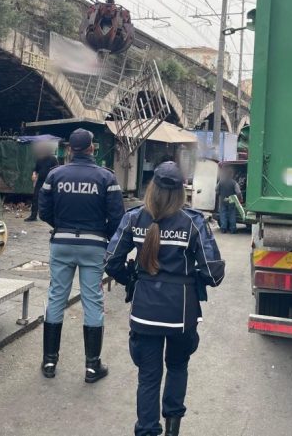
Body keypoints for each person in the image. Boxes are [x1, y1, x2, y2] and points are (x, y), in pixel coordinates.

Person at [106, 162, 225, 436]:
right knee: (177, 367)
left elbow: (111, 261)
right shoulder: (193, 222)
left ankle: (146, 430)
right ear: (182, 192)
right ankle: (172, 429)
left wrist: (132, 279)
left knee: (148, 377)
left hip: (144, 312)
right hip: (180, 315)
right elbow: (213, 272)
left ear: (152, 188)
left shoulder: (134, 218)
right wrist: (194, 277)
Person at [38, 128, 125, 382]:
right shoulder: (106, 178)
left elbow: (44, 211)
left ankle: (49, 362)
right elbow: (118, 217)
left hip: (61, 242)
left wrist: (61, 225)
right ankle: (92, 366)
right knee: (93, 301)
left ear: (69, 149)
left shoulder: (55, 175)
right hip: (94, 245)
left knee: (56, 298)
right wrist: (102, 234)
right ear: (91, 148)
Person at [24, 143, 58, 222]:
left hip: (50, 182)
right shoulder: (39, 159)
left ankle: (52, 217)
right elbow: (36, 169)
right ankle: (33, 216)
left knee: (51, 199)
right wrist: (34, 174)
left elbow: (57, 170)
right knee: (35, 198)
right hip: (40, 182)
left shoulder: (53, 159)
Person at [215, 167, 242, 234]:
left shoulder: (221, 182)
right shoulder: (234, 183)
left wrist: (219, 194)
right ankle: (233, 229)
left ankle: (223, 229)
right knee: (232, 214)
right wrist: (240, 198)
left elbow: (216, 190)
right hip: (231, 200)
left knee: (223, 214)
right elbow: (238, 192)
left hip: (223, 200)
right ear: (231, 175)